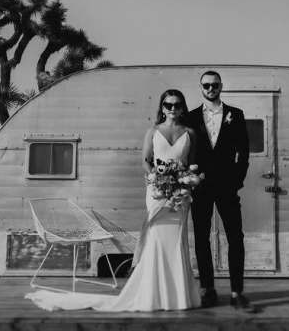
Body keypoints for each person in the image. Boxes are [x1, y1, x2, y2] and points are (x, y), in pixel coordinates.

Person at [25, 89, 201, 311]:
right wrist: (155, 178)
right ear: (162, 107)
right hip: (157, 192)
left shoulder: (190, 133)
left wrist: (186, 180)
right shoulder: (153, 131)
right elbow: (146, 161)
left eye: (177, 105)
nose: (172, 109)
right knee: (156, 239)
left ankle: (177, 296)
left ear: (183, 107)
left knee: (176, 241)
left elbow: (192, 163)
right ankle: (154, 295)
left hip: (180, 196)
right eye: (168, 105)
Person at [187, 70, 254, 311]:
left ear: (221, 86)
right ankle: (209, 290)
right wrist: (190, 178)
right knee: (202, 239)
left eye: (215, 85)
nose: (210, 89)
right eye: (206, 85)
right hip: (201, 188)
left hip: (228, 186)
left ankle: (237, 292)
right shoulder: (191, 117)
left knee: (236, 238)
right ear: (201, 88)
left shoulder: (236, 115)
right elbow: (186, 152)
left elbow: (244, 152)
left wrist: (237, 180)